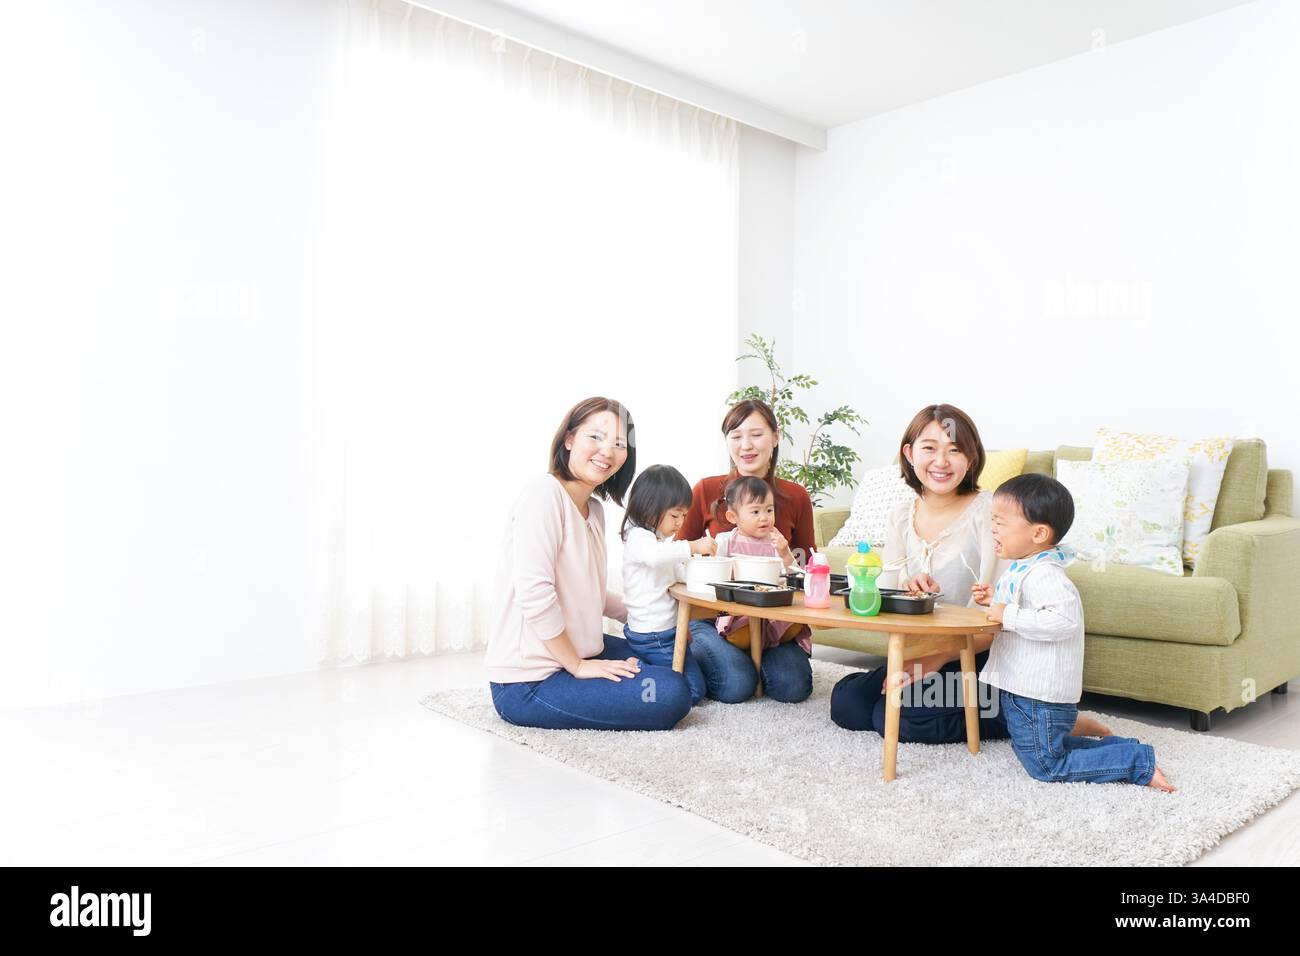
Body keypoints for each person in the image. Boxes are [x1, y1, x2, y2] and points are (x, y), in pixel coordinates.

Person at [485, 397, 692, 730]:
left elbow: (590, 594)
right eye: (595, 436)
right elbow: (535, 594)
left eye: (619, 443)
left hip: (584, 652)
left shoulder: (594, 511)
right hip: (530, 682)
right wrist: (578, 666)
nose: (607, 451)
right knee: (669, 693)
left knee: (670, 661)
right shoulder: (543, 495)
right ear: (569, 439)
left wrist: (650, 614)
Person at [975, 473, 1175, 791]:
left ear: (1039, 532)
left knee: (1046, 765)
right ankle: (1122, 748)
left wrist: (1008, 614)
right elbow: (1020, 610)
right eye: (992, 520)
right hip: (1023, 690)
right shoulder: (1023, 568)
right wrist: (994, 600)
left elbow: (1060, 621)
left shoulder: (1046, 576)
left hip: (1039, 695)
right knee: (1038, 750)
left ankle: (1135, 762)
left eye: (1000, 522)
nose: (992, 528)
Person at [619, 464, 717, 706]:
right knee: (693, 691)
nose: (680, 522)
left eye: (684, 516)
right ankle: (639, 668)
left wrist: (702, 568)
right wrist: (692, 546)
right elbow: (656, 557)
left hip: (666, 633)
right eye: (675, 515)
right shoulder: (639, 539)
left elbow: (676, 571)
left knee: (696, 680)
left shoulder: (659, 541)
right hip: (653, 634)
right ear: (649, 507)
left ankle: (647, 664)